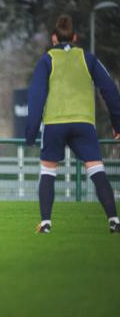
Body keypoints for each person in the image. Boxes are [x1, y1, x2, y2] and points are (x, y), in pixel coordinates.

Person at [26, 15, 120, 234]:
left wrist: (31, 133)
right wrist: (118, 124)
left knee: (48, 172)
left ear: (53, 38)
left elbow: (36, 96)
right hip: (83, 123)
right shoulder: (88, 58)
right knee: (97, 170)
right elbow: (111, 91)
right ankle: (114, 220)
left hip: (55, 124)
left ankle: (46, 224)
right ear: (75, 37)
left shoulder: (47, 60)